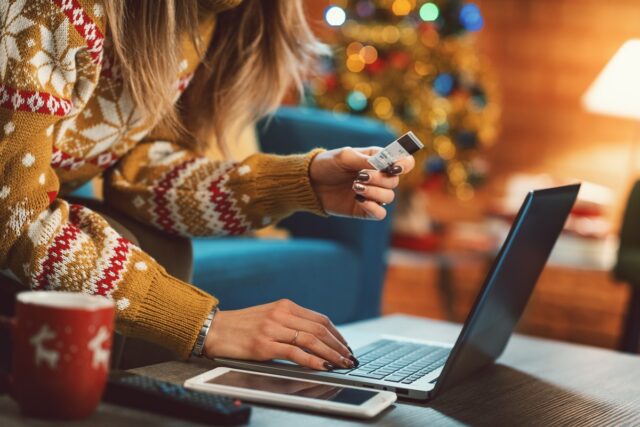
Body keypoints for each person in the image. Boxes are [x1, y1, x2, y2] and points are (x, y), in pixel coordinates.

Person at [0, 0, 414, 371]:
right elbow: (14, 215)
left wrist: (300, 183)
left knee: (162, 242)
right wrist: (202, 324)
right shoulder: (55, 10)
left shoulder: (203, 16)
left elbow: (137, 171)